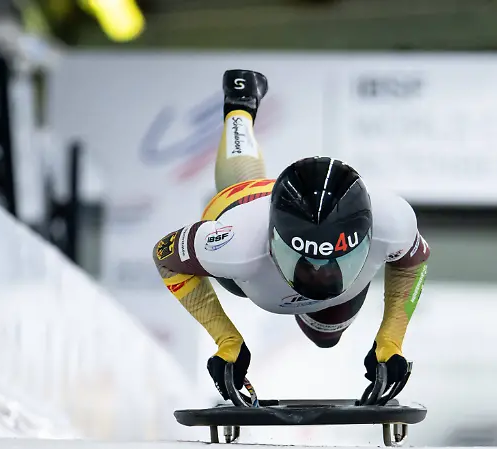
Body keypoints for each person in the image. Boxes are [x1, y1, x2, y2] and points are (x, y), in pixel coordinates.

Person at [152, 70, 430, 401]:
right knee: (241, 196)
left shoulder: (392, 220)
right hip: (248, 219)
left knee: (326, 334)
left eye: (333, 258)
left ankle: (241, 106)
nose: (319, 272)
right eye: (305, 256)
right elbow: (165, 257)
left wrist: (392, 339)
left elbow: (166, 256)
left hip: (257, 247)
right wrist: (226, 338)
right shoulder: (237, 241)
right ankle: (239, 106)